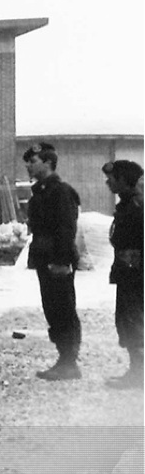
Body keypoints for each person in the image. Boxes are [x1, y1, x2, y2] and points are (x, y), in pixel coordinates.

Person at [23, 142, 83, 381]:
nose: (28, 166)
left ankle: (69, 361)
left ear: (48, 163)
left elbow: (66, 229)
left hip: (56, 260)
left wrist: (61, 261)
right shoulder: (41, 192)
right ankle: (64, 358)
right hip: (45, 258)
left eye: (33, 161)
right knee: (52, 309)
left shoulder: (60, 192)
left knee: (63, 309)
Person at [102, 159, 144, 389]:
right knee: (127, 320)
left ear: (124, 181)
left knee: (133, 321)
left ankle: (138, 374)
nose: (108, 182)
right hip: (128, 271)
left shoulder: (137, 207)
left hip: (135, 274)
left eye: (111, 178)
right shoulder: (129, 204)